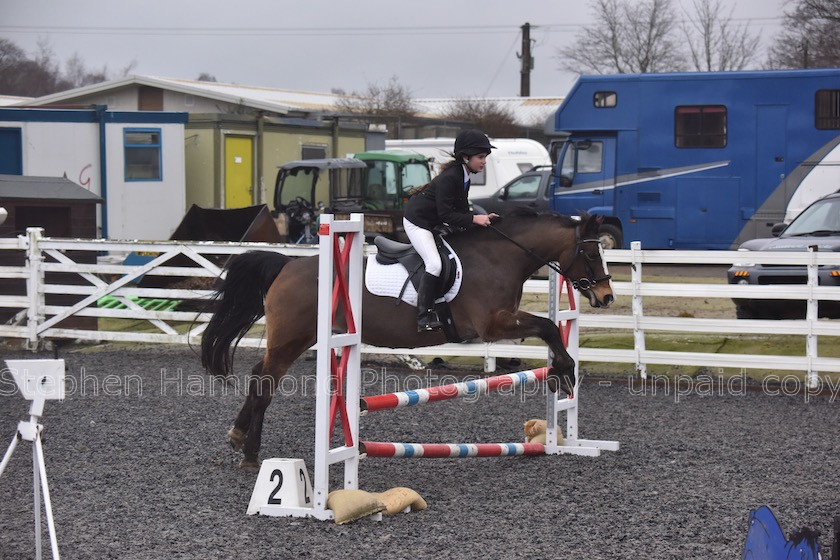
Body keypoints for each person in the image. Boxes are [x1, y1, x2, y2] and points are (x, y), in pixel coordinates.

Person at [403, 129, 499, 332]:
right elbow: (447, 215)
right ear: (466, 157)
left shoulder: (464, 176)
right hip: (417, 223)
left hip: (432, 222)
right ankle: (423, 317)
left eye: (485, 157)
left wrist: (482, 221)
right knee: (434, 264)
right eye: (481, 157)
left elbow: (463, 211)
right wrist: (474, 218)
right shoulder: (450, 178)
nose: (484, 162)